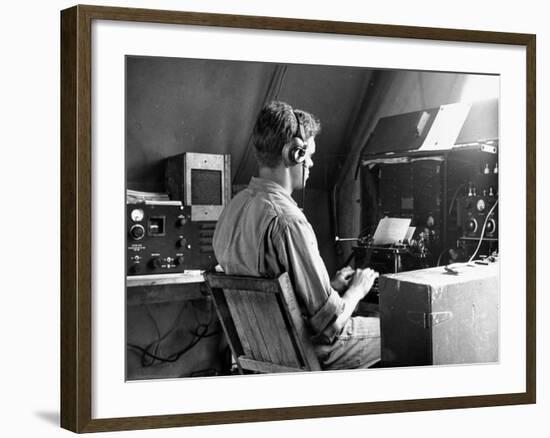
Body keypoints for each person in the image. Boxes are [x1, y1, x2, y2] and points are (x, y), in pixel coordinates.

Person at [212, 101, 380, 370]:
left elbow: (277, 291)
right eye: (309, 155)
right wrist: (357, 291)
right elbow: (330, 326)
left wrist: (332, 287)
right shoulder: (289, 221)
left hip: (264, 352)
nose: (311, 163)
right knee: (398, 333)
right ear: (295, 153)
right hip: (308, 354)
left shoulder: (233, 208)